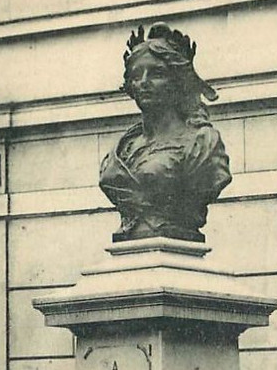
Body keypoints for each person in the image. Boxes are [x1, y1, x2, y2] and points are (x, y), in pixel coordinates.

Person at [99, 21, 231, 242]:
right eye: (136, 75)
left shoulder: (202, 142)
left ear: (178, 81)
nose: (143, 82)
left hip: (172, 235)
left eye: (157, 73)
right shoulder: (124, 147)